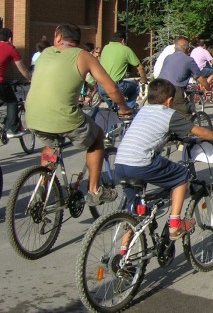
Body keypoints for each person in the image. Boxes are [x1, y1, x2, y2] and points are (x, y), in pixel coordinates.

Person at [26, 23, 132, 206]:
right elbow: (112, 88)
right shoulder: (84, 56)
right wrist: (123, 107)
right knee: (97, 137)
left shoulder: (45, 54)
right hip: (64, 117)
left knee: (52, 143)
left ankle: (43, 184)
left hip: (33, 116)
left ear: (58, 37)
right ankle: (94, 190)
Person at [115, 78, 213, 241]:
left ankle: (124, 250)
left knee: (136, 213)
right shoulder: (168, 114)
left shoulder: (142, 111)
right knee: (182, 176)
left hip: (121, 163)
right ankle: (175, 225)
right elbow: (199, 131)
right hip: (141, 163)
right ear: (169, 100)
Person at [159, 36, 210, 119]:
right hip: (173, 89)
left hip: (159, 87)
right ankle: (186, 131)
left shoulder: (168, 57)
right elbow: (200, 78)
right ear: (187, 49)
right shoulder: (188, 60)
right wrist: (208, 88)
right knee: (185, 115)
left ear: (175, 47)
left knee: (164, 113)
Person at [98, 31, 148, 109]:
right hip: (116, 86)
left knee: (113, 106)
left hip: (101, 87)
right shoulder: (125, 49)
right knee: (135, 87)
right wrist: (144, 79)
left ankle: (113, 109)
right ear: (123, 41)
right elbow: (140, 67)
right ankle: (128, 109)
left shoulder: (105, 48)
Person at [0, 28, 32, 136]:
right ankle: (12, 129)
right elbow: (22, 68)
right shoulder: (10, 49)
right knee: (12, 102)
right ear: (10, 38)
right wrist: (30, 79)